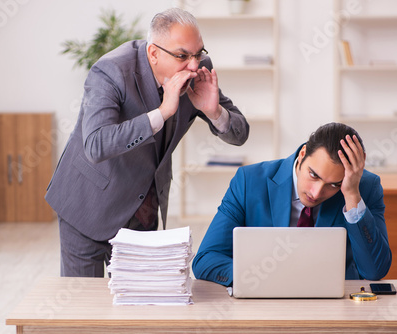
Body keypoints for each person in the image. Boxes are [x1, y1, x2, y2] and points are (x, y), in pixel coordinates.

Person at [45, 8, 249, 277]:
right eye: (182, 55)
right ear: (154, 53)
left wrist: (214, 112)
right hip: (89, 204)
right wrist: (162, 113)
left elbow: (240, 133)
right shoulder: (111, 72)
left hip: (142, 208)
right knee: (86, 307)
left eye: (199, 53)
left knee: (140, 302)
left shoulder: (199, 69)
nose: (193, 64)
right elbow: (96, 144)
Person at [192, 122, 392, 286]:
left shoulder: (364, 188)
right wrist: (256, 279)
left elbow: (375, 271)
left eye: (333, 185)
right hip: (263, 303)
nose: (316, 193)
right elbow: (206, 259)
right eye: (313, 175)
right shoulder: (249, 181)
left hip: (334, 309)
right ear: (302, 154)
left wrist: (350, 194)